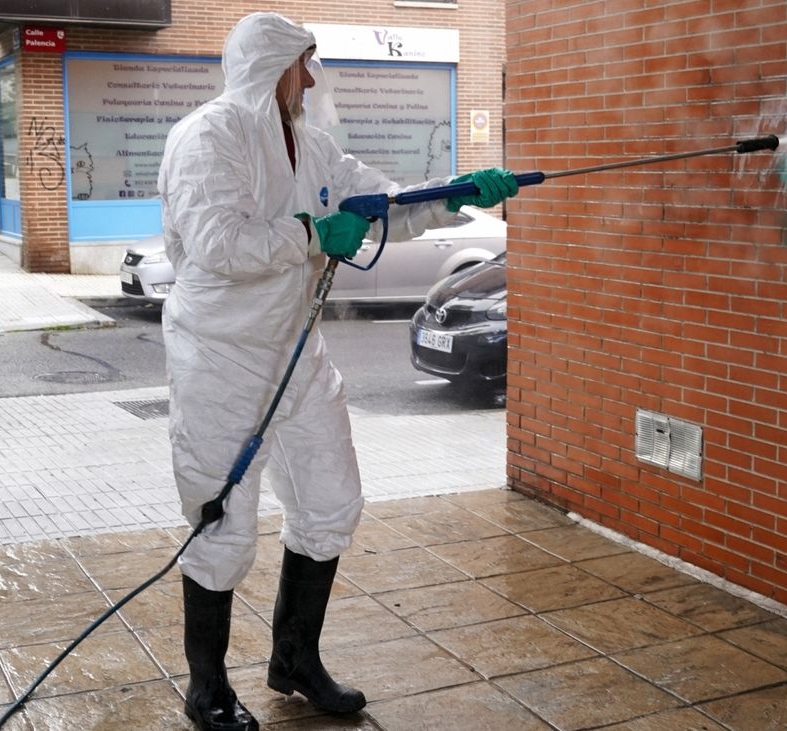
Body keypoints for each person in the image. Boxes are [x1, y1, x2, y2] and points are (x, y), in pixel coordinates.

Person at [156, 13, 517, 731]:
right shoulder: (209, 137)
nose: (312, 78)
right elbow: (214, 241)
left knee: (330, 498)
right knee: (220, 520)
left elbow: (381, 205)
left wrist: (456, 193)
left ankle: (294, 658)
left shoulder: (312, 147)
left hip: (296, 355)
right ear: (270, 67)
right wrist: (312, 235)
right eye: (302, 64)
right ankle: (207, 687)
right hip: (221, 358)